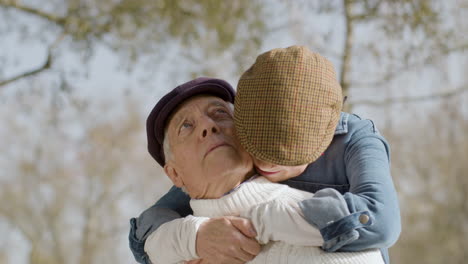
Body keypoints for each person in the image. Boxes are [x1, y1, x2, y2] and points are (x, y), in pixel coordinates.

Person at [129, 46, 401, 264]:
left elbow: (381, 221)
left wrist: (255, 223)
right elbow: (148, 226)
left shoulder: (352, 139)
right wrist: (195, 238)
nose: (267, 161)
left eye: (220, 113)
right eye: (186, 126)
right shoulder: (206, 182)